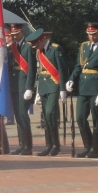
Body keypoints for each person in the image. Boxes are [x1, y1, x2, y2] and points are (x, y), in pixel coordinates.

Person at [68, 22, 98, 158]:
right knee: (80, 117)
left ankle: (95, 149)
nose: (91, 37)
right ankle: (88, 145)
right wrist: (71, 79)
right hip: (83, 87)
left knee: (97, 121)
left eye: (94, 34)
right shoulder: (84, 46)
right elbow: (78, 66)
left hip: (96, 87)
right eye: (89, 34)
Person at [28, 27, 67, 156]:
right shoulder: (39, 52)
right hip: (44, 86)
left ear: (42, 40)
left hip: (54, 85)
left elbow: (62, 70)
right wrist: (38, 90)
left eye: (37, 44)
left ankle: (56, 145)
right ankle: (48, 145)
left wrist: (63, 89)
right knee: (45, 116)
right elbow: (40, 72)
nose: (36, 47)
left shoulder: (56, 49)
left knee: (51, 113)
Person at [7, 23, 35, 155]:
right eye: (13, 34)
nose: (14, 36)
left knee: (23, 115)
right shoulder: (12, 47)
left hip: (23, 84)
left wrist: (29, 87)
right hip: (14, 84)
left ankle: (28, 146)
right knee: (18, 116)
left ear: (22, 32)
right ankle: (21, 144)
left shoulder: (28, 47)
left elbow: (32, 69)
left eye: (16, 33)